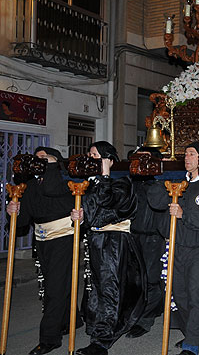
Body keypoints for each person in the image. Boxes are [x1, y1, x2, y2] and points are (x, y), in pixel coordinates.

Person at [147, 141, 199, 355]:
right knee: (179, 294)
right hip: (178, 245)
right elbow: (156, 201)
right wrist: (156, 176)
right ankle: (192, 332)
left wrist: (183, 214)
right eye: (185, 154)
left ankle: (192, 343)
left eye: (192, 154)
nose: (187, 158)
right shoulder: (177, 182)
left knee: (197, 293)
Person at [71, 141, 145, 355]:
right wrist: (79, 217)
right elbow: (91, 213)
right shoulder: (90, 183)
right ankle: (96, 327)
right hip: (95, 240)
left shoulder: (122, 182)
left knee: (110, 288)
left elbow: (108, 201)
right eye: (90, 155)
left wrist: (105, 175)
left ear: (109, 161)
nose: (91, 159)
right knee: (95, 287)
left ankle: (102, 340)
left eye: (96, 156)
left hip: (113, 242)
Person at [7, 147, 79, 355]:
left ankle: (49, 338)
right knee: (55, 283)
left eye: (44, 158)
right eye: (36, 158)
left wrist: (50, 167)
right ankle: (71, 319)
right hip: (42, 239)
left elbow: (51, 188)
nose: (39, 161)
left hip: (63, 237)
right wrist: (13, 211)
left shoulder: (64, 182)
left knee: (54, 288)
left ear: (56, 161)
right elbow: (22, 222)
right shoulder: (29, 186)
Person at [126, 147, 166, 339]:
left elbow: (158, 203)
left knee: (151, 279)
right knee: (135, 280)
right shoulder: (132, 181)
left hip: (153, 236)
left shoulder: (157, 182)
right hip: (134, 235)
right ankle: (137, 314)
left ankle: (145, 319)